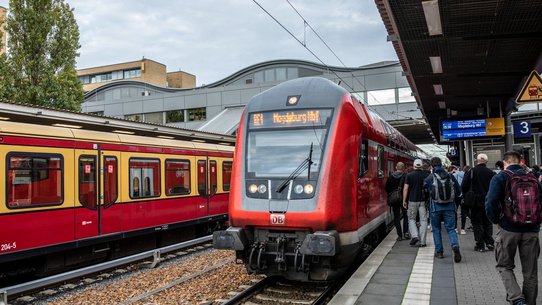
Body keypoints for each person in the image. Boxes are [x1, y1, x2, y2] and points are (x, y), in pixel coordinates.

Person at [486, 151, 541, 305]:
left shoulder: (500, 177)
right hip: (532, 230)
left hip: (508, 229)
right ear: (520, 162)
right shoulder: (533, 177)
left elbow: (490, 202)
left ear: (505, 163)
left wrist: (496, 220)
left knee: (504, 265)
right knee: (530, 272)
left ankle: (517, 299)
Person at [425, 157, 462, 262]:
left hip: (435, 208)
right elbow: (458, 191)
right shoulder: (450, 176)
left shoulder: (430, 178)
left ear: (432, 166)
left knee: (436, 230)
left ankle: (439, 252)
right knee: (450, 229)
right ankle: (455, 245)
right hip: (449, 207)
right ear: (441, 164)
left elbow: (425, 192)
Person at [461, 153, 495, 252]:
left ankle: (480, 245)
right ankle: (489, 243)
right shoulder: (491, 173)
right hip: (488, 201)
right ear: (486, 162)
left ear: (477, 161)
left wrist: (467, 195)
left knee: (477, 223)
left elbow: (463, 186)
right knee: (488, 222)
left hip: (475, 202)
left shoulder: (471, 171)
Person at [402, 159, 429, 247]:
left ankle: (415, 236)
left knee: (411, 219)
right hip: (423, 201)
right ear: (421, 166)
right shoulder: (426, 175)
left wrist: (404, 200)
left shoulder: (409, 175)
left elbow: (405, 189)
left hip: (412, 201)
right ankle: (423, 242)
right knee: (424, 220)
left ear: (414, 166)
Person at [385, 162, 409, 241]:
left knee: (397, 217)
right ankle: (405, 232)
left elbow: (386, 188)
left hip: (394, 199)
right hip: (404, 199)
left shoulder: (391, 176)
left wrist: (391, 194)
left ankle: (399, 236)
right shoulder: (405, 176)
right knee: (405, 216)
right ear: (403, 168)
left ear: (396, 167)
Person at [451, 165, 466, 234]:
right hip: (463, 195)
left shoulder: (453, 175)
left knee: (454, 211)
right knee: (463, 212)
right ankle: (462, 228)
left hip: (455, 195)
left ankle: (455, 227)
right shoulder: (464, 175)